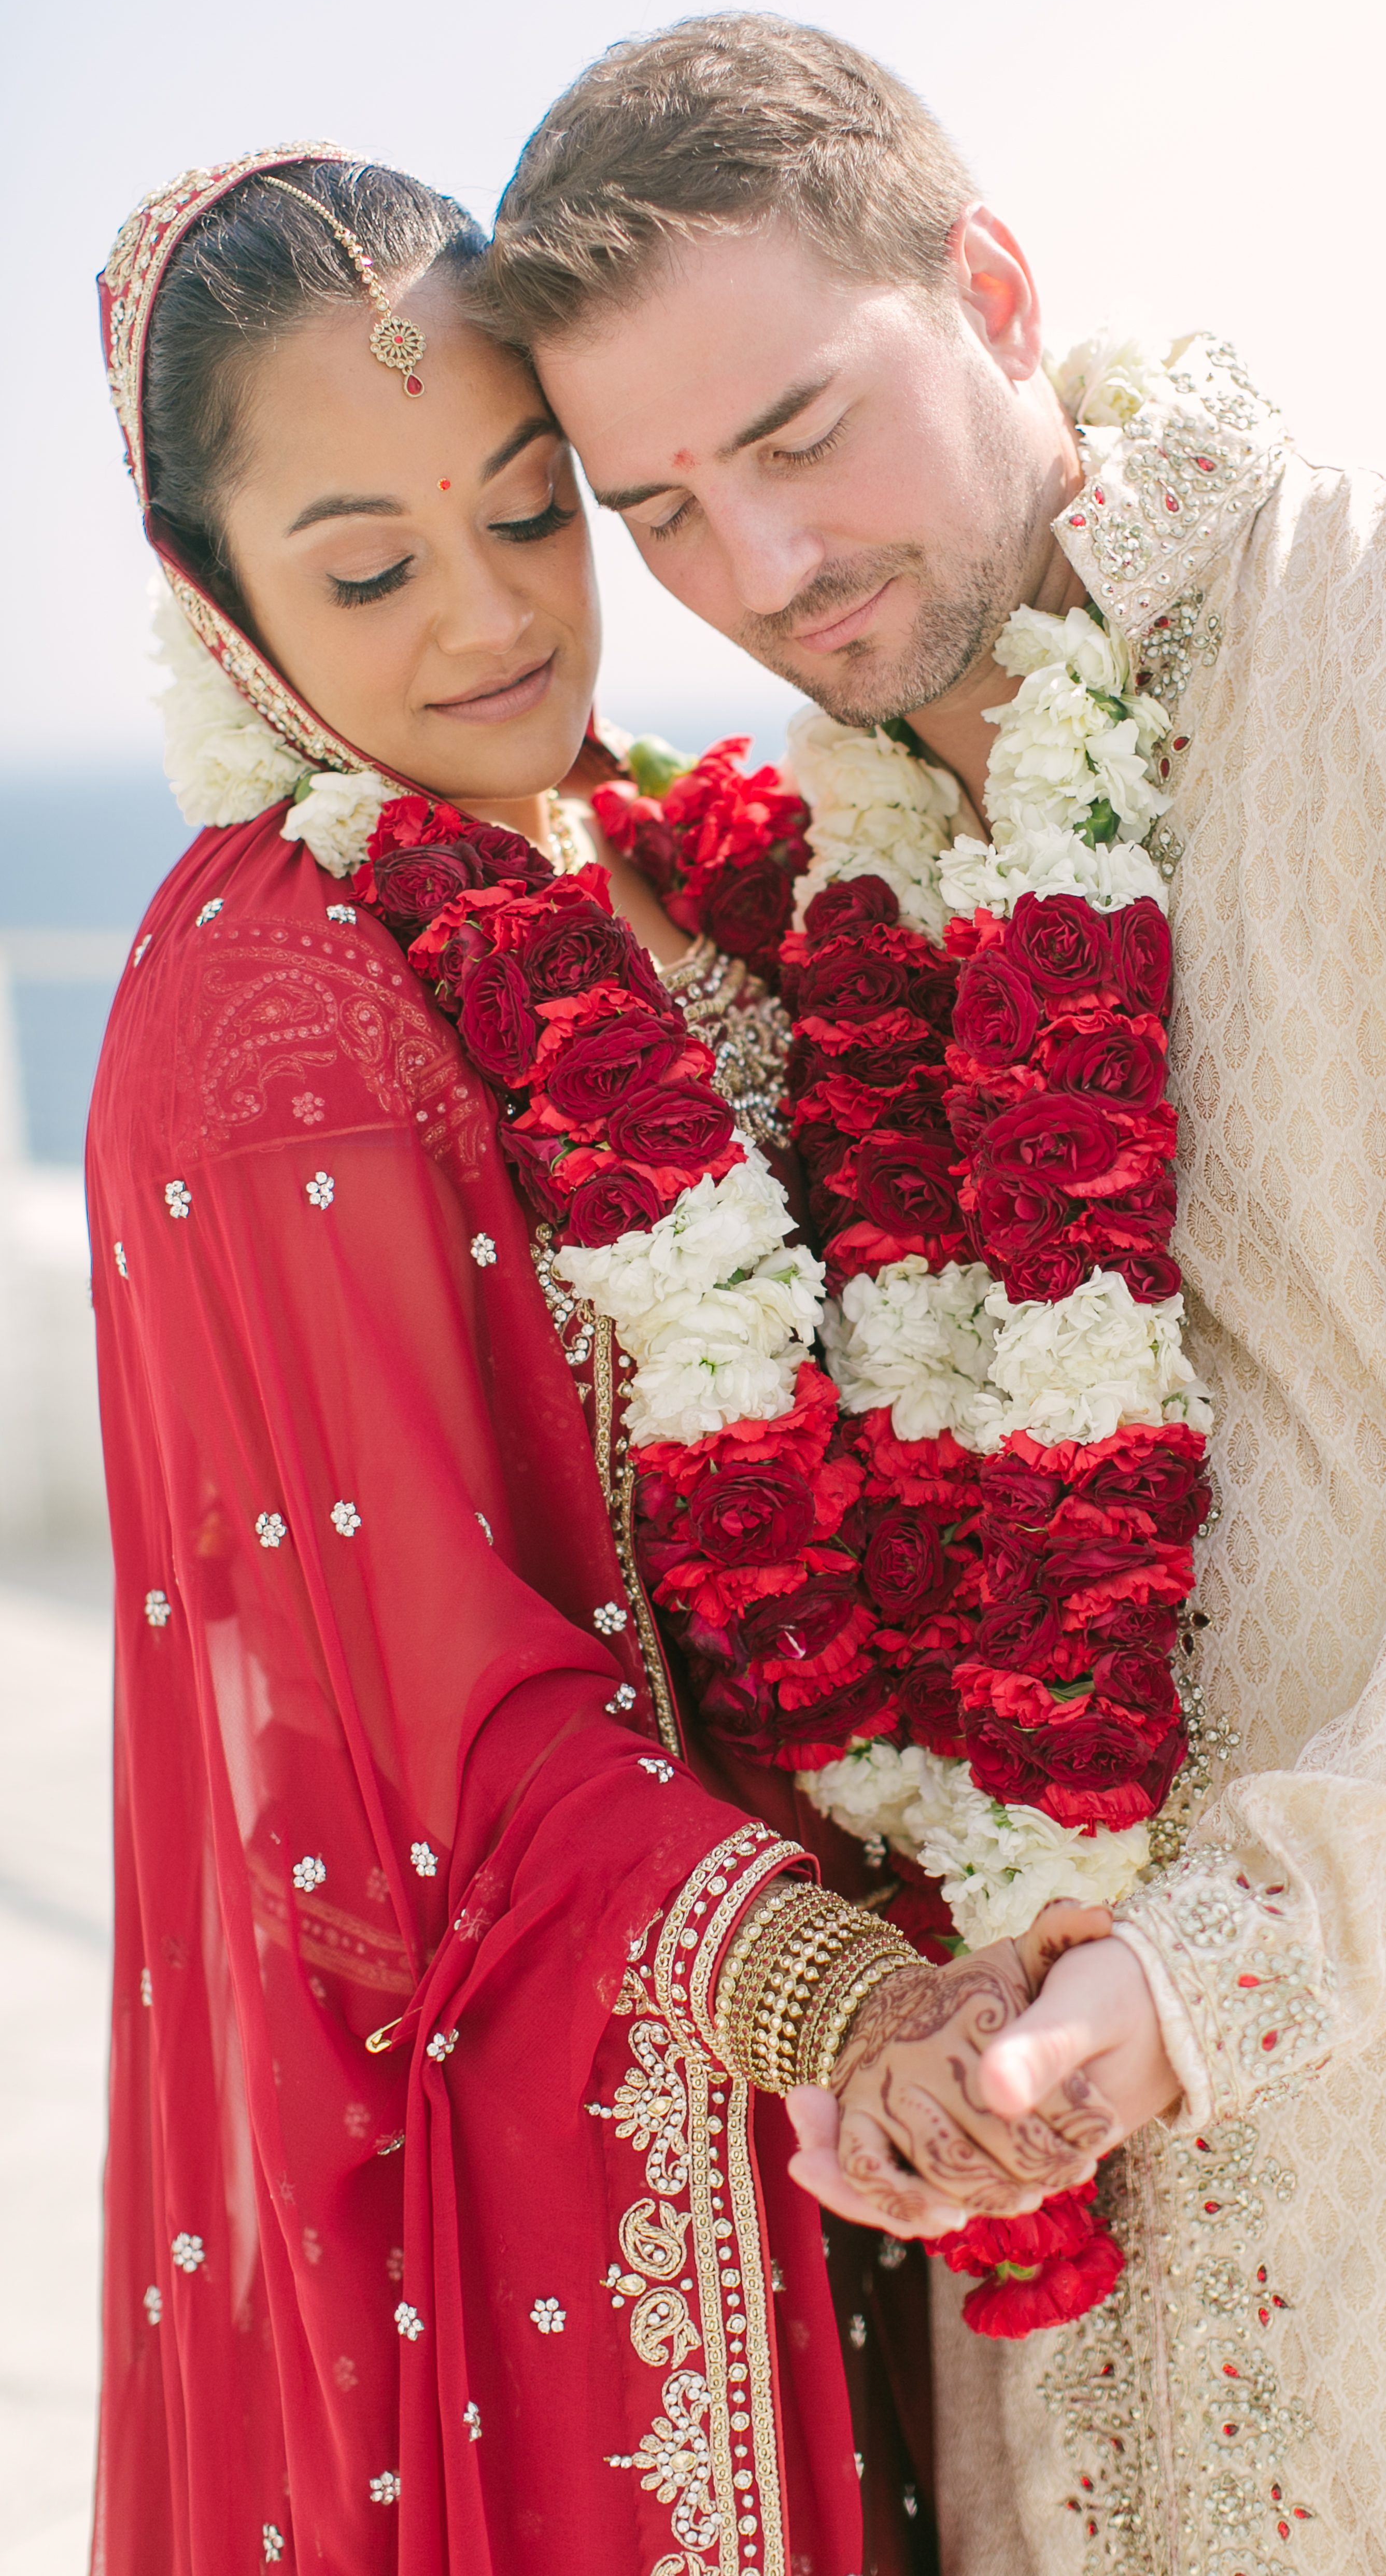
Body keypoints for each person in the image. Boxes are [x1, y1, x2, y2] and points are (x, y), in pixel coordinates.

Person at [480, 17, 1386, 2573]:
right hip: (1091, 2234)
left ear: (993, 289)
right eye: (662, 508)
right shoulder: (847, 843)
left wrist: (1225, 1971)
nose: (760, 575)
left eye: (801, 435)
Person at [92, 147, 1106, 2574]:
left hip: (905, 2058)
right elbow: (433, 1729)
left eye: (534, 516)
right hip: (601, 2114)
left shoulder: (650, 844)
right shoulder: (272, 1013)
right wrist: (852, 2004)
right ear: (211, 596)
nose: (486, 620)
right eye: (365, 568)